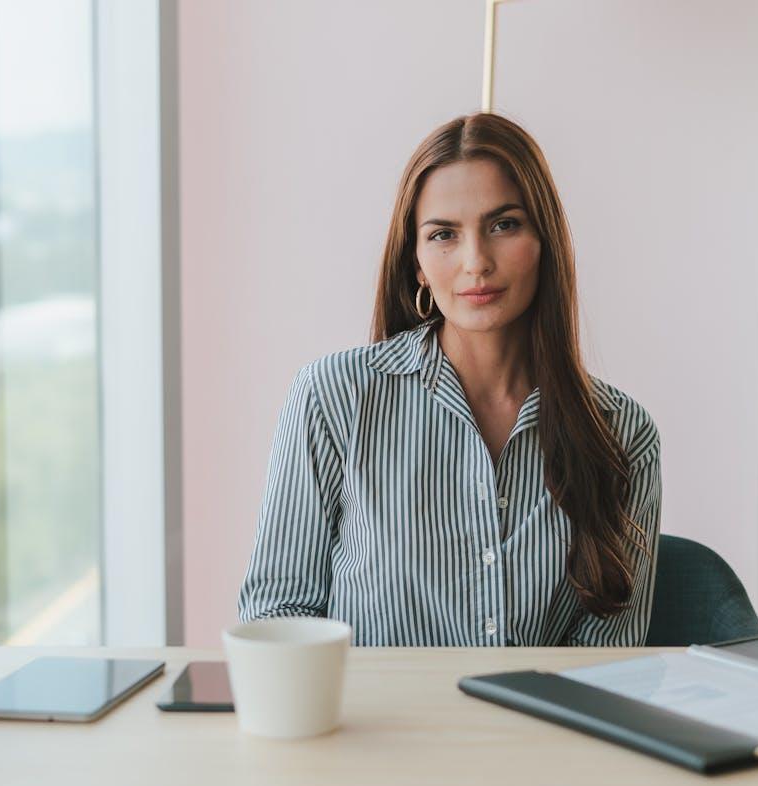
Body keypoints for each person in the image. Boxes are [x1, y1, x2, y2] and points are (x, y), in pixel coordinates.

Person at [237, 113, 661, 646]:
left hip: (540, 731)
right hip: (373, 728)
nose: (475, 262)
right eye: (443, 235)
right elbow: (276, 616)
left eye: (504, 224)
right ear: (415, 262)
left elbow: (608, 662)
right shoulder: (333, 397)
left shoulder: (623, 433)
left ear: (545, 240)